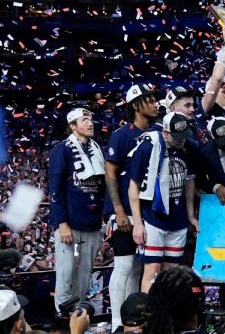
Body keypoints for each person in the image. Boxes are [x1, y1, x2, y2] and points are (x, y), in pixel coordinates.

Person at [105, 83, 159, 331]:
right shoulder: (121, 134)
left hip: (147, 212)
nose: (155, 103)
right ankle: (117, 322)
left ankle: (132, 321)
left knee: (139, 268)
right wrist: (117, 210)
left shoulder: (158, 132)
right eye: (149, 100)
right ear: (136, 104)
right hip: (125, 211)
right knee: (124, 265)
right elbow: (111, 173)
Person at [127, 112, 198, 292]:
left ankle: (168, 316)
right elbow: (133, 186)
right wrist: (137, 223)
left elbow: (189, 181)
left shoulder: (187, 147)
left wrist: (190, 215)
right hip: (154, 217)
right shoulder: (147, 147)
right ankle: (148, 316)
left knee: (172, 272)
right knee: (152, 270)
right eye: (178, 136)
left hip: (178, 218)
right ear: (165, 132)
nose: (182, 140)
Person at [48, 108, 106, 312]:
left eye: (91, 119)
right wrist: (61, 223)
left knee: (85, 273)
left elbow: (102, 188)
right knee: (68, 271)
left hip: (91, 224)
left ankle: (79, 316)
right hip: (71, 228)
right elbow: (55, 188)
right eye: (84, 120)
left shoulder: (98, 149)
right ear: (73, 126)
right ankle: (64, 317)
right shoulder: (62, 150)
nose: (90, 123)